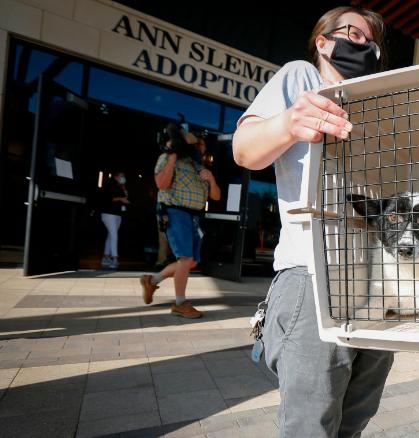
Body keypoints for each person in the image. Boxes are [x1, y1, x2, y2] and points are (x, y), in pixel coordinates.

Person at [232, 6, 393, 437]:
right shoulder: (302, 77)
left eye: (373, 41)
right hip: (314, 269)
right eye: (355, 34)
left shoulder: (377, 107)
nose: (367, 46)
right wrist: (289, 121)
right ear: (324, 41)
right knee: (311, 423)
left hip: (378, 281)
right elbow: (245, 149)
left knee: (356, 415)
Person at [139, 129, 221, 318]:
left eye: (203, 145)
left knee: (190, 262)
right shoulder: (167, 158)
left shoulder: (198, 165)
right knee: (185, 259)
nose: (202, 147)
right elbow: (161, 184)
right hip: (175, 211)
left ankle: (152, 281)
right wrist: (173, 155)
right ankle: (180, 303)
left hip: (195, 216)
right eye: (198, 144)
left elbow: (216, 196)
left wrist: (212, 179)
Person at [99, 171, 129, 270]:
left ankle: (105, 257)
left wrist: (124, 190)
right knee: (114, 235)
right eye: (121, 176)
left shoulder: (121, 187)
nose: (123, 177)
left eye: (123, 176)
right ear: (116, 177)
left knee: (110, 235)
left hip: (117, 214)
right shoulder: (110, 185)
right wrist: (121, 199)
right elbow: (108, 198)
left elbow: (125, 199)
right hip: (108, 214)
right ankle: (114, 258)